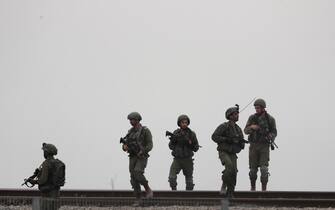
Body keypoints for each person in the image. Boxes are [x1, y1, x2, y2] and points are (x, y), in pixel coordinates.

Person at [212, 105, 246, 198]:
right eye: (235, 114)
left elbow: (242, 143)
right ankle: (224, 183)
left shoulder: (238, 129)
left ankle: (230, 192)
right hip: (224, 151)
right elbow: (214, 137)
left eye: (237, 114)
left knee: (234, 172)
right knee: (229, 167)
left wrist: (240, 143)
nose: (237, 115)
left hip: (233, 153)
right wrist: (227, 139)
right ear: (230, 116)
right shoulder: (224, 126)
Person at [244, 98, 277, 191]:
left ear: (263, 108)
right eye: (256, 108)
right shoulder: (252, 118)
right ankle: (253, 188)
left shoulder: (270, 119)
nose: (257, 109)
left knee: (264, 170)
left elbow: (274, 132)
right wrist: (252, 127)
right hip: (253, 146)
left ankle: (264, 190)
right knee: (253, 170)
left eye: (258, 108)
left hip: (264, 146)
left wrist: (271, 136)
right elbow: (245, 131)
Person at [121, 112, 153, 206]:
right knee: (133, 178)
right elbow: (125, 143)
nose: (131, 121)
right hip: (132, 157)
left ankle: (147, 189)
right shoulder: (130, 132)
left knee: (138, 173)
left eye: (133, 120)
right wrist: (124, 147)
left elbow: (150, 144)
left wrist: (143, 151)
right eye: (130, 120)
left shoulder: (145, 130)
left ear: (138, 120)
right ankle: (138, 198)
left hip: (141, 156)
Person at [25, 143, 65, 210]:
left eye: (44, 151)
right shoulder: (57, 163)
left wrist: (33, 181)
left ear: (46, 152)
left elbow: (43, 180)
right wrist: (38, 173)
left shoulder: (46, 163)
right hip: (56, 194)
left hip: (47, 195)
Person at [167, 115, 200, 191]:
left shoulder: (191, 134)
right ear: (179, 123)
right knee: (172, 178)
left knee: (189, 181)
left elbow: (196, 148)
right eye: (182, 122)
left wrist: (189, 143)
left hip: (187, 159)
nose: (184, 124)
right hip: (177, 159)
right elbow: (170, 146)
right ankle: (174, 192)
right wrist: (174, 141)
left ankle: (188, 196)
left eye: (186, 122)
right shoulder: (176, 133)